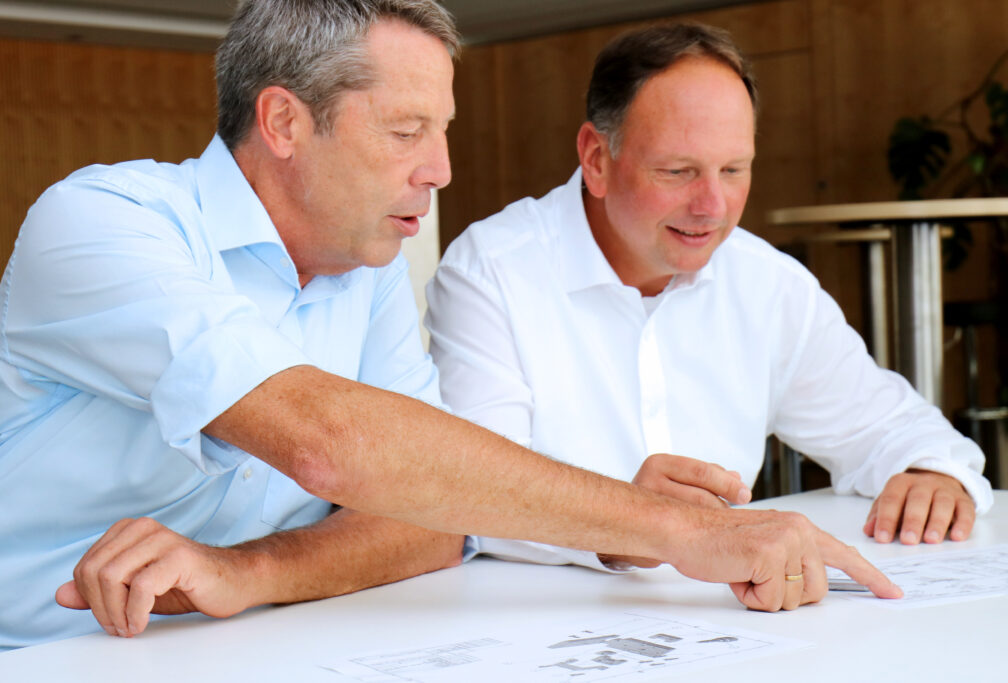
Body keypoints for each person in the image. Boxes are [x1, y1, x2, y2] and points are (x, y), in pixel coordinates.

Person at [0, 2, 898, 652]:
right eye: (406, 131)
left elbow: (430, 522)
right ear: (283, 121)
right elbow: (327, 440)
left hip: (251, 648)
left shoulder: (367, 269)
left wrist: (247, 572)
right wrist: (678, 529)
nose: (440, 169)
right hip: (47, 653)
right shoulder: (102, 223)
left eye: (443, 131)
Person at [426, 22, 993, 573]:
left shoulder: (767, 283)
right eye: (678, 171)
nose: (713, 207)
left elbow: (891, 429)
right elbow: (473, 492)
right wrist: (636, 524)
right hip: (533, 618)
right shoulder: (491, 271)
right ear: (596, 159)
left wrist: (930, 474)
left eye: (733, 169)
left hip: (730, 617)